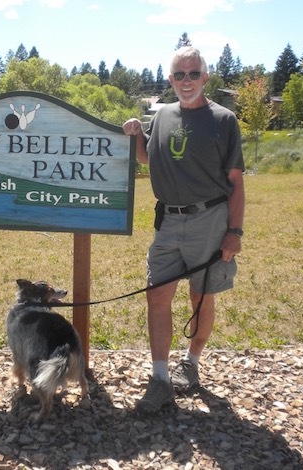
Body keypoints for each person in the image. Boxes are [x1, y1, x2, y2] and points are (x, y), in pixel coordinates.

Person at [122, 46, 245, 413]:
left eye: (194, 74)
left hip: (210, 219)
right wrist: (135, 135)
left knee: (200, 296)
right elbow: (149, 157)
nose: (187, 81)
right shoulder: (161, 117)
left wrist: (234, 232)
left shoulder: (224, 120)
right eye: (180, 75)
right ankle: (160, 380)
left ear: (205, 78)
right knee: (156, 295)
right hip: (168, 221)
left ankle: (190, 364)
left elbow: (236, 182)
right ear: (170, 80)